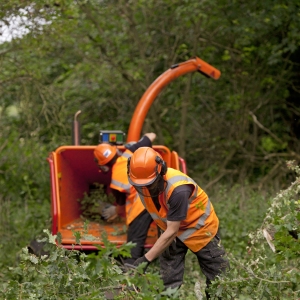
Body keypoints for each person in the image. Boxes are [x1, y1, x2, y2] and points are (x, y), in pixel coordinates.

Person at [126, 147, 229, 299]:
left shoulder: (178, 189)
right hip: (169, 229)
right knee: (168, 279)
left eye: (149, 184)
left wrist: (146, 259)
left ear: (161, 171)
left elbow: (172, 230)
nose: (145, 189)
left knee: (219, 277)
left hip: (199, 228)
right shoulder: (141, 181)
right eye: (141, 186)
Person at [93, 133, 156, 264]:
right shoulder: (131, 151)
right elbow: (151, 135)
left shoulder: (115, 181)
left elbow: (120, 206)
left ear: (103, 166)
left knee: (133, 243)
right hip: (160, 194)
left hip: (142, 203)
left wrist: (113, 211)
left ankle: (130, 271)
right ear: (116, 150)